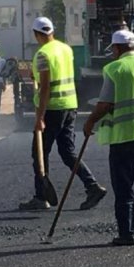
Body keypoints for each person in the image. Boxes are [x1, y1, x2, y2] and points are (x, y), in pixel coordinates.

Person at [84, 30, 134, 246]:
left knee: (124, 187)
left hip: (124, 137)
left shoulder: (114, 69)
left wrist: (90, 121)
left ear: (117, 48)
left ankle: (126, 233)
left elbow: (105, 104)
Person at [20, 16, 106, 211]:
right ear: (51, 31)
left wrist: (40, 117)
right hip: (70, 105)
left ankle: (41, 197)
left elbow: (45, 89)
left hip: (52, 109)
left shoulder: (42, 54)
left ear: (36, 34)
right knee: (67, 152)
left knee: (40, 153)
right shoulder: (65, 49)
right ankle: (92, 186)